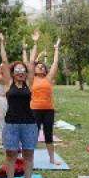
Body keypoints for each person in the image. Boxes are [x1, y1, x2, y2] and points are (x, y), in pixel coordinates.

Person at [0, 31, 39, 178]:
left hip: (29, 124)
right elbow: (4, 60)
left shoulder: (29, 82)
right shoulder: (8, 83)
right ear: (13, 72)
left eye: (23, 70)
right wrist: (2, 42)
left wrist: (35, 43)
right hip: (11, 124)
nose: (21, 72)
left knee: (28, 155)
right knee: (11, 155)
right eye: (17, 70)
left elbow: (31, 64)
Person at [31, 31, 61, 166]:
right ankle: (29, 159)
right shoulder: (31, 78)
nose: (41, 67)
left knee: (49, 135)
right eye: (39, 66)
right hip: (34, 110)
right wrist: (36, 42)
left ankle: (52, 159)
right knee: (33, 135)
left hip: (48, 110)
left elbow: (55, 63)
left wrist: (56, 48)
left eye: (43, 67)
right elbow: (31, 61)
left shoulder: (48, 78)